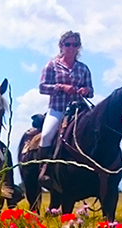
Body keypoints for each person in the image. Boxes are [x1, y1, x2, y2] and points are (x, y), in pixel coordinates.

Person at [38, 30, 94, 190]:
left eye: (74, 45)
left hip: (79, 109)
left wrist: (86, 90)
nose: (71, 48)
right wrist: (60, 87)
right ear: (61, 46)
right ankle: (45, 169)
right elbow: (42, 87)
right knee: (47, 135)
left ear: (79, 47)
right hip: (58, 108)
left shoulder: (83, 68)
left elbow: (91, 89)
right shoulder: (52, 65)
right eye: (67, 44)